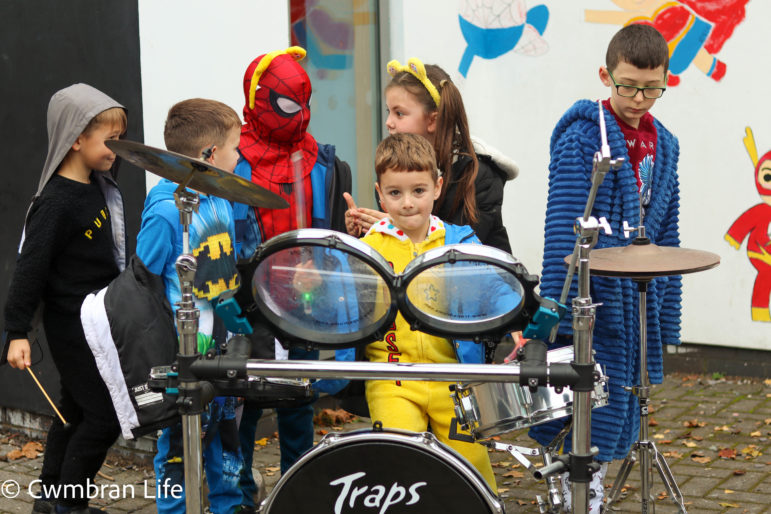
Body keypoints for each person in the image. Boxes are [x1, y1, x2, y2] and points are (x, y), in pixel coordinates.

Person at [528, 24, 681, 512]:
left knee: (618, 417)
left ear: (666, 80)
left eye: (652, 87)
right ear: (605, 75)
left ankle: (587, 494)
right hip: (591, 301)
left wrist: (668, 323)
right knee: (581, 411)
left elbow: (669, 238)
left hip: (639, 305)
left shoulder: (667, 144)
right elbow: (564, 229)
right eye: (628, 85)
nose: (639, 98)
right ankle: (575, 497)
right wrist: (553, 311)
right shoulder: (582, 136)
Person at [231, 46, 352, 512]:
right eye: (287, 105)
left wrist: (320, 264)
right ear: (259, 99)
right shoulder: (232, 161)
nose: (299, 116)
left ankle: (297, 491)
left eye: (306, 103)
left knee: (298, 403)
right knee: (245, 404)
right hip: (247, 307)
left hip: (306, 301)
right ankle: (240, 494)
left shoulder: (319, 161)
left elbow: (332, 231)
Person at [2, 83, 128, 514]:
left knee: (73, 409)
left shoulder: (97, 185)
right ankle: (69, 507)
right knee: (103, 417)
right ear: (77, 139)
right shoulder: (55, 202)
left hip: (97, 319)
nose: (116, 148)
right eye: (108, 139)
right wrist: (16, 331)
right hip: (71, 324)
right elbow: (29, 268)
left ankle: (50, 500)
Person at [356, 132, 498, 492]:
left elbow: (495, 287)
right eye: (395, 193)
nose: (407, 203)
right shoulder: (367, 248)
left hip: (453, 377)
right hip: (393, 379)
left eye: (418, 191)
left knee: (473, 469)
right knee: (401, 468)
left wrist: (516, 317)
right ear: (379, 192)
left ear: (436, 187)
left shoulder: (461, 242)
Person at [135, 98, 244, 514]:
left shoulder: (221, 201)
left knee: (226, 438)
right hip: (183, 351)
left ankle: (228, 505)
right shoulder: (165, 210)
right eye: (234, 147)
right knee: (181, 441)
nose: (240, 156)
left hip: (223, 344)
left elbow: (224, 270)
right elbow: (143, 279)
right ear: (209, 155)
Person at [344, 57, 518, 254]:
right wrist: (361, 231)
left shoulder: (481, 176)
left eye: (399, 113)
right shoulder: (395, 168)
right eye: (388, 111)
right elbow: (395, 253)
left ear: (433, 121)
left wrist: (393, 227)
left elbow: (459, 252)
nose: (388, 122)